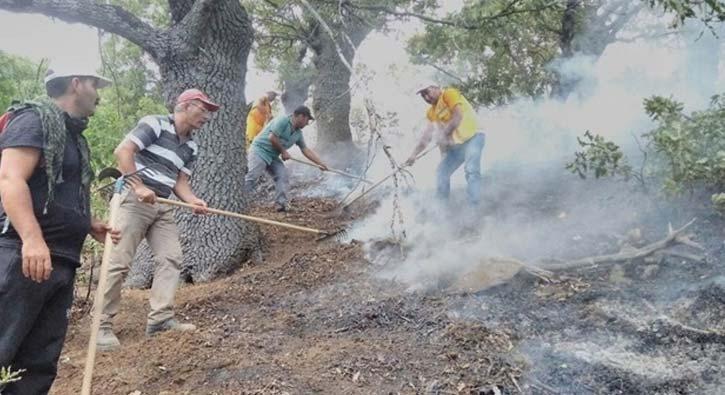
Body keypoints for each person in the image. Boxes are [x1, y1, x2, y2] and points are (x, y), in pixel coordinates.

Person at [0, 67, 119, 394]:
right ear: (76, 83)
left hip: (62, 261)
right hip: (22, 257)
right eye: (95, 83)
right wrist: (32, 239)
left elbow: (60, 190)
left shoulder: (74, 137)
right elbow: (10, 179)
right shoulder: (33, 119)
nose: (99, 93)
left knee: (38, 363)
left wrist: (87, 222)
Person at [96, 88, 215, 351]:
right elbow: (123, 151)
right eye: (203, 109)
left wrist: (192, 200)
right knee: (118, 262)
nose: (207, 116)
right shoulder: (156, 123)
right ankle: (101, 325)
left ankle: (160, 319)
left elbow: (180, 182)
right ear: (185, 105)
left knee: (171, 257)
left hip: (162, 204)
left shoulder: (192, 146)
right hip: (133, 199)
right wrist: (138, 186)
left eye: (209, 112)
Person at [405, 82, 485, 205]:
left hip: (474, 136)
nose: (426, 98)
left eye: (427, 92)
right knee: (442, 172)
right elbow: (427, 136)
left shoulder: (449, 94)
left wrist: (444, 134)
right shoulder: (431, 112)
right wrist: (413, 155)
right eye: (423, 95)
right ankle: (441, 209)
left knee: (471, 170)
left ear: (436, 88)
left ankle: (474, 208)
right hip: (459, 145)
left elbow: (458, 115)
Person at [244, 105, 328, 212]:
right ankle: (240, 201)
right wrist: (283, 151)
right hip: (259, 150)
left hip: (273, 156)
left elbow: (305, 150)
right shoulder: (283, 120)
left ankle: (281, 204)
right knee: (252, 176)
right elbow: (272, 137)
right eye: (307, 120)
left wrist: (320, 163)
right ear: (301, 116)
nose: (307, 124)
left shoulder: (298, 134)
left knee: (282, 175)